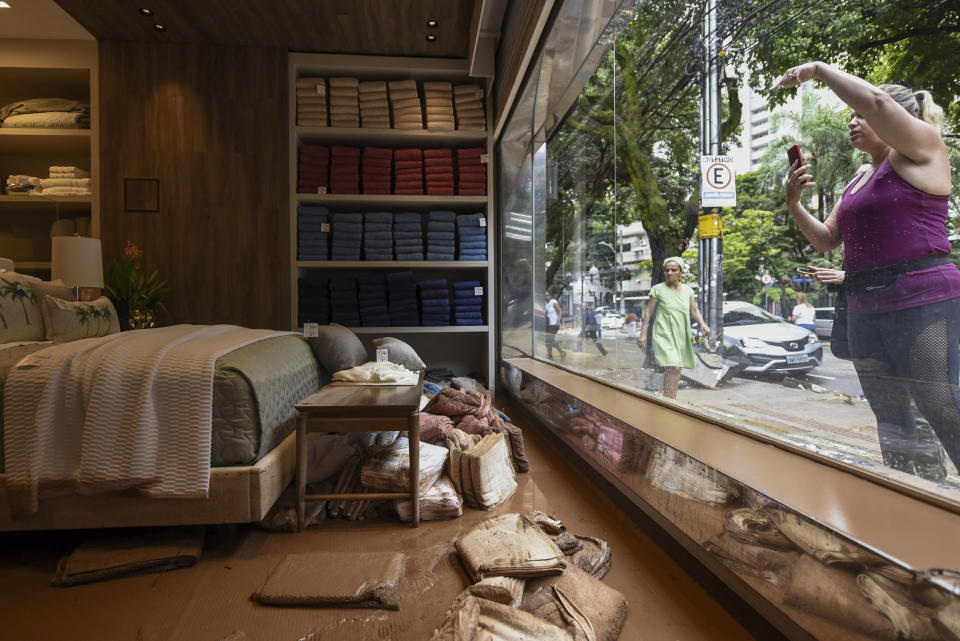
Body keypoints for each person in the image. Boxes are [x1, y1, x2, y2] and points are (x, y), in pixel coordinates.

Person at [774, 63, 960, 476]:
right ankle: (907, 499)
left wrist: (817, 70)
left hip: (922, 301)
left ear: (892, 118)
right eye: (851, 116)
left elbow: (874, 100)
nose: (854, 120)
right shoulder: (859, 178)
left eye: (860, 115)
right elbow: (826, 240)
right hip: (864, 308)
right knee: (890, 416)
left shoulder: (924, 148)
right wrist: (794, 203)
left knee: (942, 405)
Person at [637, 257, 710, 399]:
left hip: (681, 333)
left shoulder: (688, 291)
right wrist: (643, 334)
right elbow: (648, 313)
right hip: (663, 333)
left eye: (674, 270)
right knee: (673, 366)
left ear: (681, 272)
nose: (670, 273)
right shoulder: (657, 290)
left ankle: (670, 399)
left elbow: (694, 310)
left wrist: (703, 324)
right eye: (667, 270)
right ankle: (669, 400)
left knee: (676, 368)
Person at [544, 291, 565, 361]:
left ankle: (551, 357)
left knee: (548, 340)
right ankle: (561, 353)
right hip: (549, 325)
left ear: (550, 296)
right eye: (545, 296)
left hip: (555, 324)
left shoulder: (553, 301)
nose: (546, 297)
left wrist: (558, 321)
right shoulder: (546, 304)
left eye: (547, 295)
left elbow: (560, 311)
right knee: (549, 341)